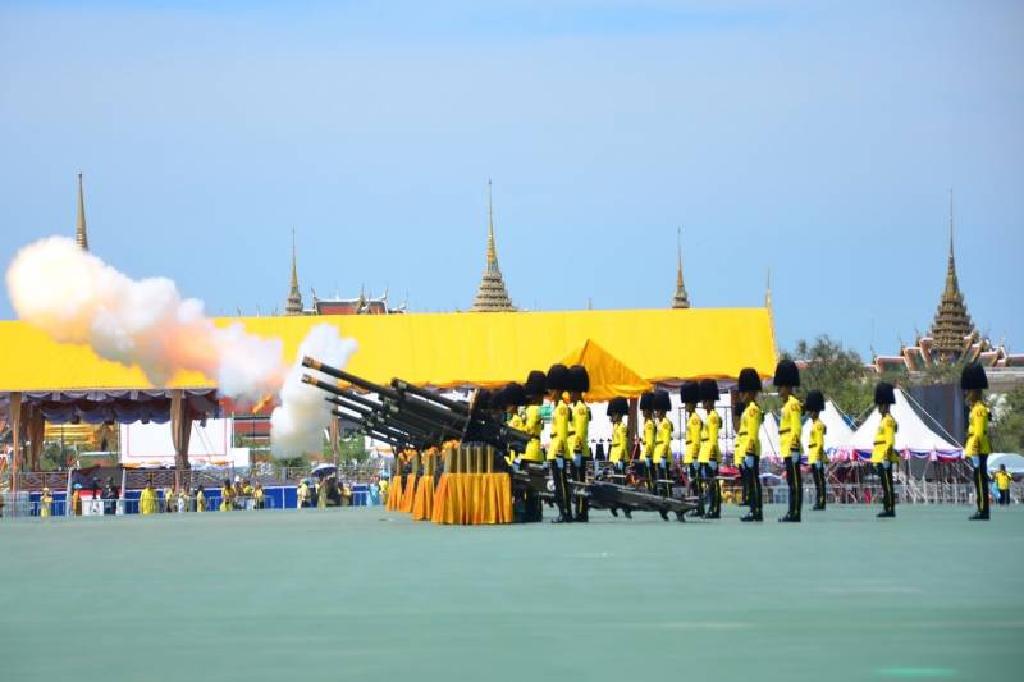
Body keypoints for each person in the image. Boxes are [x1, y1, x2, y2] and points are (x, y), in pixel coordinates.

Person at [961, 362, 991, 520]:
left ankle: (982, 510)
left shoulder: (979, 409)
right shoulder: (976, 408)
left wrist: (976, 448)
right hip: (976, 447)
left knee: (980, 479)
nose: (966, 393)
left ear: (975, 391)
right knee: (978, 478)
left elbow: (978, 432)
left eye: (969, 391)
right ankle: (982, 508)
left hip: (978, 448)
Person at [775, 359, 803, 523]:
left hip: (791, 447)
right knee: (791, 481)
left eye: (780, 386)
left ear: (787, 386)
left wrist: (794, 446)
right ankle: (791, 511)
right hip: (786, 447)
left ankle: (795, 512)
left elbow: (796, 427)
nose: (778, 390)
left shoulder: (793, 404)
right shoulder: (786, 405)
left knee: (795, 482)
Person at [546, 363, 573, 523]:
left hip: (559, 450)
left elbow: (562, 431)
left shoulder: (562, 408)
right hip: (555, 448)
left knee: (561, 483)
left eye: (551, 389)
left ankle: (565, 512)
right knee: (558, 483)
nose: (549, 392)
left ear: (557, 389)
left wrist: (560, 451)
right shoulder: (557, 407)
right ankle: (563, 511)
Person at [736, 368, 764, 522]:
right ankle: (754, 509)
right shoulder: (748, 410)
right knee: (751, 482)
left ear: (751, 392)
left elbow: (752, 433)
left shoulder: (752, 410)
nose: (742, 395)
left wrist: (750, 450)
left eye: (744, 391)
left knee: (753, 482)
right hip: (747, 450)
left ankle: (756, 510)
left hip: (750, 450)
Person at [567, 365, 592, 521]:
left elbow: (580, 431)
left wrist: (576, 449)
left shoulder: (581, 408)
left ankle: (582, 512)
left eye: (571, 392)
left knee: (580, 483)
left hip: (579, 451)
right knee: (576, 482)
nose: (569, 395)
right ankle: (579, 510)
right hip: (574, 450)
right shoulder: (575, 407)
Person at [872, 382, 898, 518]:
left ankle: (889, 508)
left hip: (885, 456)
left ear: (885, 404)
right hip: (881, 456)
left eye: (880, 405)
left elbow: (889, 439)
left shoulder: (888, 420)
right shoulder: (883, 420)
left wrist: (887, 455)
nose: (878, 407)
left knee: (887, 484)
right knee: (884, 484)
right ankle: (887, 506)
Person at [697, 379, 722, 518]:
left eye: (706, 401)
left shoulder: (712, 417)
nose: (704, 404)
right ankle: (712, 507)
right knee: (710, 483)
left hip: (710, 453)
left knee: (713, 483)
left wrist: (712, 455)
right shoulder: (708, 417)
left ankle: (715, 509)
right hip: (705, 453)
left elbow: (713, 438)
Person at [680, 381, 703, 516]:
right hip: (690, 455)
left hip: (694, 455)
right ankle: (696, 507)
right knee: (693, 483)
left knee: (696, 483)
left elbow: (695, 440)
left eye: (688, 403)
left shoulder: (694, 419)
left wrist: (694, 456)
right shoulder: (691, 418)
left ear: (694, 403)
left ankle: (698, 508)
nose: (686, 405)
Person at [804, 390, 828, 511]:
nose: (810, 413)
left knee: (819, 481)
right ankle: (819, 500)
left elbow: (819, 442)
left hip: (817, 456)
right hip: (813, 456)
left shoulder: (818, 425)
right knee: (817, 481)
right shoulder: (814, 424)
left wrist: (819, 457)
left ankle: (821, 501)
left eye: (811, 411)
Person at [652, 390, 674, 497]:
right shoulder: (659, 423)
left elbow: (666, 441)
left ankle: (669, 498)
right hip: (658, 453)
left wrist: (664, 454)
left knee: (665, 479)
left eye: (658, 410)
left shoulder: (665, 423)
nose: (656, 412)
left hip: (663, 454)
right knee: (660, 479)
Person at [638, 392, 656, 492]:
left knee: (650, 478)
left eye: (645, 410)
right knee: (648, 478)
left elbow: (649, 442)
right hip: (646, 454)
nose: (644, 412)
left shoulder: (649, 424)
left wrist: (648, 455)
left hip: (648, 455)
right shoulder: (647, 423)